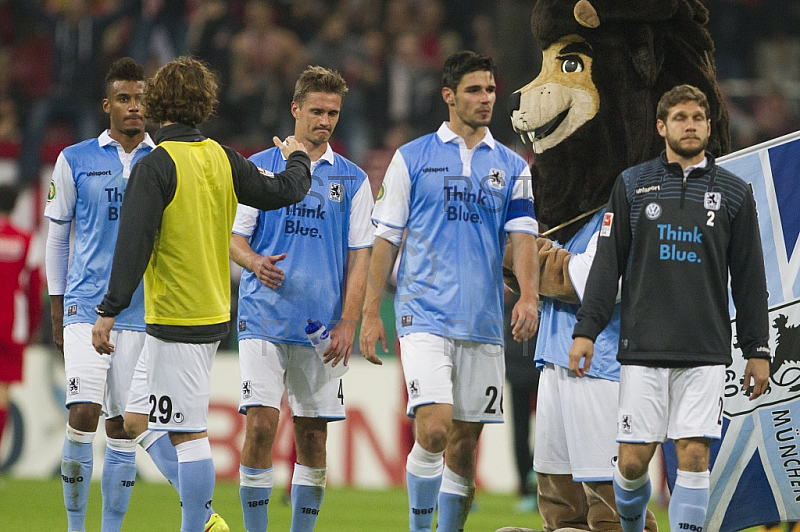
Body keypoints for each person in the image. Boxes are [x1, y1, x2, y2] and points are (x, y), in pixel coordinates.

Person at [91, 56, 311, 532]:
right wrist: (298, 157)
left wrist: (108, 311)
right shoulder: (224, 157)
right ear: (203, 103)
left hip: (178, 317)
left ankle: (200, 525)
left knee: (188, 434)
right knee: (135, 419)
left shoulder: (156, 165)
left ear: (158, 102)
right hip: (210, 309)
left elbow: (134, 244)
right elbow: (284, 191)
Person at [569, 84, 771, 532]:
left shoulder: (735, 193)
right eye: (680, 117)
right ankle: (633, 525)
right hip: (643, 347)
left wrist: (758, 348)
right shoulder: (633, 184)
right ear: (662, 127)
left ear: (710, 125)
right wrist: (586, 330)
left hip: (704, 349)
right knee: (633, 462)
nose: (691, 125)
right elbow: (607, 266)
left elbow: (751, 278)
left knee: (694, 454)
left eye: (698, 117)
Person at [359, 50, 540, 532]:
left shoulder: (511, 165)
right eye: (475, 90)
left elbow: (523, 237)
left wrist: (528, 295)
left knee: (464, 444)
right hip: (424, 314)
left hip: (482, 320)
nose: (486, 99)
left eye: (491, 90)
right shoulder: (412, 157)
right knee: (435, 429)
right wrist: (371, 312)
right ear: (449, 96)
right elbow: (386, 238)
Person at [230, 65, 380, 532]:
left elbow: (361, 258)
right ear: (295, 109)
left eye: (333, 112)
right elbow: (233, 239)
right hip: (263, 318)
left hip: (320, 326)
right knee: (259, 426)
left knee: (313, 438)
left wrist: (349, 321)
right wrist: (254, 263)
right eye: (316, 111)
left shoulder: (352, 181)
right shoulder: (260, 167)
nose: (325, 121)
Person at [44, 57, 157, 532]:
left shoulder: (163, 161)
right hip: (85, 305)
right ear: (107, 104)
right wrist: (57, 308)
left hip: (142, 310)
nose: (134, 108)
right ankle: (76, 526)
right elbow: (58, 237)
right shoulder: (74, 159)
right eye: (125, 99)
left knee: (123, 428)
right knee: (84, 411)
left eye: (141, 99)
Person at [498, 217, 657, 532]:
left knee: (611, 501)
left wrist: (526, 252)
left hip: (602, 363)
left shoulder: (626, 204)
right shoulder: (566, 218)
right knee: (559, 499)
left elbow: (591, 279)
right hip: (554, 358)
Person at [0, 184, 41, 452]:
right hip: (11, 326)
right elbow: (34, 289)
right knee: (2, 394)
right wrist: (33, 327)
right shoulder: (26, 240)